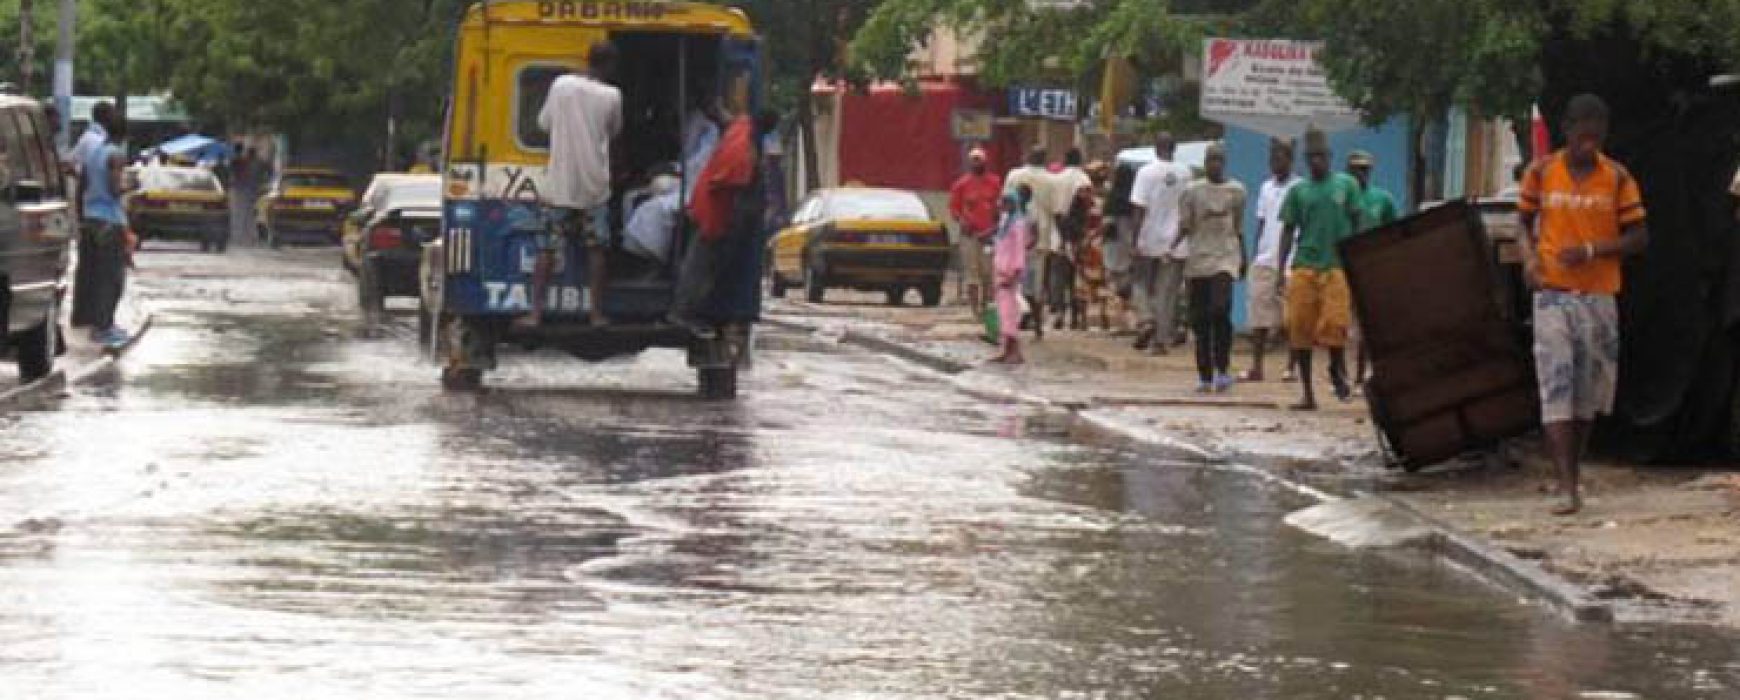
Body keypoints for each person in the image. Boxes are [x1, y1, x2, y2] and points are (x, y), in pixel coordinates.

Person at [1518, 94, 1649, 516]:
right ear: (1567, 131)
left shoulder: (1618, 178)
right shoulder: (1542, 172)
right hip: (1553, 296)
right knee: (1555, 385)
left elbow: (1639, 238)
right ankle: (1565, 486)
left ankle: (1574, 469)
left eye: (1597, 133)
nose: (1588, 142)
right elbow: (1522, 222)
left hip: (1599, 297)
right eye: (1581, 132)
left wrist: (1593, 250)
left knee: (1587, 394)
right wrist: (1529, 261)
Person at [528, 40, 622, 329]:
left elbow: (543, 124)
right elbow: (614, 132)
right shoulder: (612, 96)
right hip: (594, 187)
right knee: (597, 249)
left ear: (587, 59)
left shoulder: (561, 86)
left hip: (559, 186)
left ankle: (535, 314)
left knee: (546, 249)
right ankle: (595, 314)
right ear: (609, 66)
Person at [667, 110, 781, 338]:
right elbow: (735, 190)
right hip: (715, 214)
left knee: (701, 264)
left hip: (709, 207)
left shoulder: (741, 129)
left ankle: (686, 310)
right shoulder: (742, 151)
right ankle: (682, 312)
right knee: (700, 266)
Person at [1277, 128, 1362, 410]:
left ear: (1330, 157)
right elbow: (1288, 230)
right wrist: (1281, 267)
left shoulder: (1346, 185)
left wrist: (1358, 257)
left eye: (1321, 157)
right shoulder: (1298, 191)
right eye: (1311, 157)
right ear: (1305, 159)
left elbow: (1357, 220)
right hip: (1305, 264)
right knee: (1299, 328)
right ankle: (1307, 393)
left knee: (1336, 323)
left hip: (1337, 265)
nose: (1317, 162)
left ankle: (1336, 370)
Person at [1173, 142, 1247, 393]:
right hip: (1198, 260)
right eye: (1210, 160)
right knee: (1200, 319)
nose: (1215, 164)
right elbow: (1185, 225)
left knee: (1220, 309)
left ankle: (1223, 368)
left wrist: (1243, 257)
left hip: (1225, 257)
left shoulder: (1236, 191)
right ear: (1205, 164)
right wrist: (1171, 247)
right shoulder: (1193, 192)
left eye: (1219, 160)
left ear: (1224, 163)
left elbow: (1238, 228)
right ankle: (1205, 375)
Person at [1129, 131, 1194, 356]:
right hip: (1176, 240)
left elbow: (1139, 208)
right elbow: (1188, 206)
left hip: (1149, 238)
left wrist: (1134, 240)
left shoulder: (1145, 173)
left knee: (1140, 283)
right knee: (1168, 291)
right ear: (1174, 148)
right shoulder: (1186, 173)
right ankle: (1160, 340)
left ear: (1155, 147)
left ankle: (1146, 319)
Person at [1242, 138, 1301, 382]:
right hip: (1265, 260)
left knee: (1293, 318)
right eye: (1272, 158)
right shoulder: (1266, 187)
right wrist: (1256, 253)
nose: (1275, 163)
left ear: (1290, 159)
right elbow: (1262, 222)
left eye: (1280, 158)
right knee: (1259, 317)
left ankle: (1291, 368)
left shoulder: (1300, 188)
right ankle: (1257, 367)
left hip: (1292, 260)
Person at [73, 111, 131, 347]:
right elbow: (115, 189)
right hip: (110, 219)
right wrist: (131, 186)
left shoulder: (93, 153)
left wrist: (82, 215)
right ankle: (104, 326)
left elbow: (83, 185)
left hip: (91, 218)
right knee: (112, 277)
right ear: (124, 134)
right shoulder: (115, 155)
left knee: (95, 275)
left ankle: (98, 323)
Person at [1346, 149, 1400, 385]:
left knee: (1367, 322)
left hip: (1370, 263)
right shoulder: (1341, 198)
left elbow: (1392, 232)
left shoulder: (1382, 199)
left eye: (1365, 170)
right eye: (1357, 169)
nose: (1361, 174)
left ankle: (1361, 374)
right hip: (1342, 264)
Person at [1005, 146, 1060, 336]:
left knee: (1016, 286)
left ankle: (1025, 321)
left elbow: (1003, 206)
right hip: (1041, 243)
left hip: (1024, 245)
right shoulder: (1052, 181)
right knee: (1034, 287)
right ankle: (1030, 322)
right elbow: (1057, 210)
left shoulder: (1014, 176)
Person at [948, 147, 1002, 316]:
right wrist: (963, 222)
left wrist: (993, 229)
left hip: (989, 236)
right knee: (972, 274)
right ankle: (975, 310)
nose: (977, 163)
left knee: (988, 273)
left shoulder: (995, 182)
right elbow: (954, 209)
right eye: (974, 160)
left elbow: (1000, 208)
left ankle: (986, 306)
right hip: (969, 236)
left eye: (980, 160)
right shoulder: (961, 185)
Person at [1050, 148, 1095, 329]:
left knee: (1059, 275)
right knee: (1078, 277)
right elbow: (1088, 208)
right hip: (1079, 236)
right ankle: (1077, 317)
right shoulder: (1084, 179)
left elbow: (1053, 207)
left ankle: (1059, 311)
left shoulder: (1056, 179)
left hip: (1058, 232)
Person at [989, 189, 1032, 365]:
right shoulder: (1005, 222)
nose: (1003, 206)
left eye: (1007, 202)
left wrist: (1015, 272)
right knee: (1003, 312)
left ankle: (1015, 351)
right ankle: (1006, 350)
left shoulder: (1018, 224)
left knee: (1009, 313)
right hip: (1000, 270)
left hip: (1010, 273)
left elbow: (1019, 250)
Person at [1101, 162, 1140, 332]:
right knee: (1131, 284)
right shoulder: (1134, 199)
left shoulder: (1111, 199)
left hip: (1113, 246)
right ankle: (1134, 321)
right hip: (1131, 244)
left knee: (1114, 285)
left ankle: (1119, 322)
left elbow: (1106, 224)